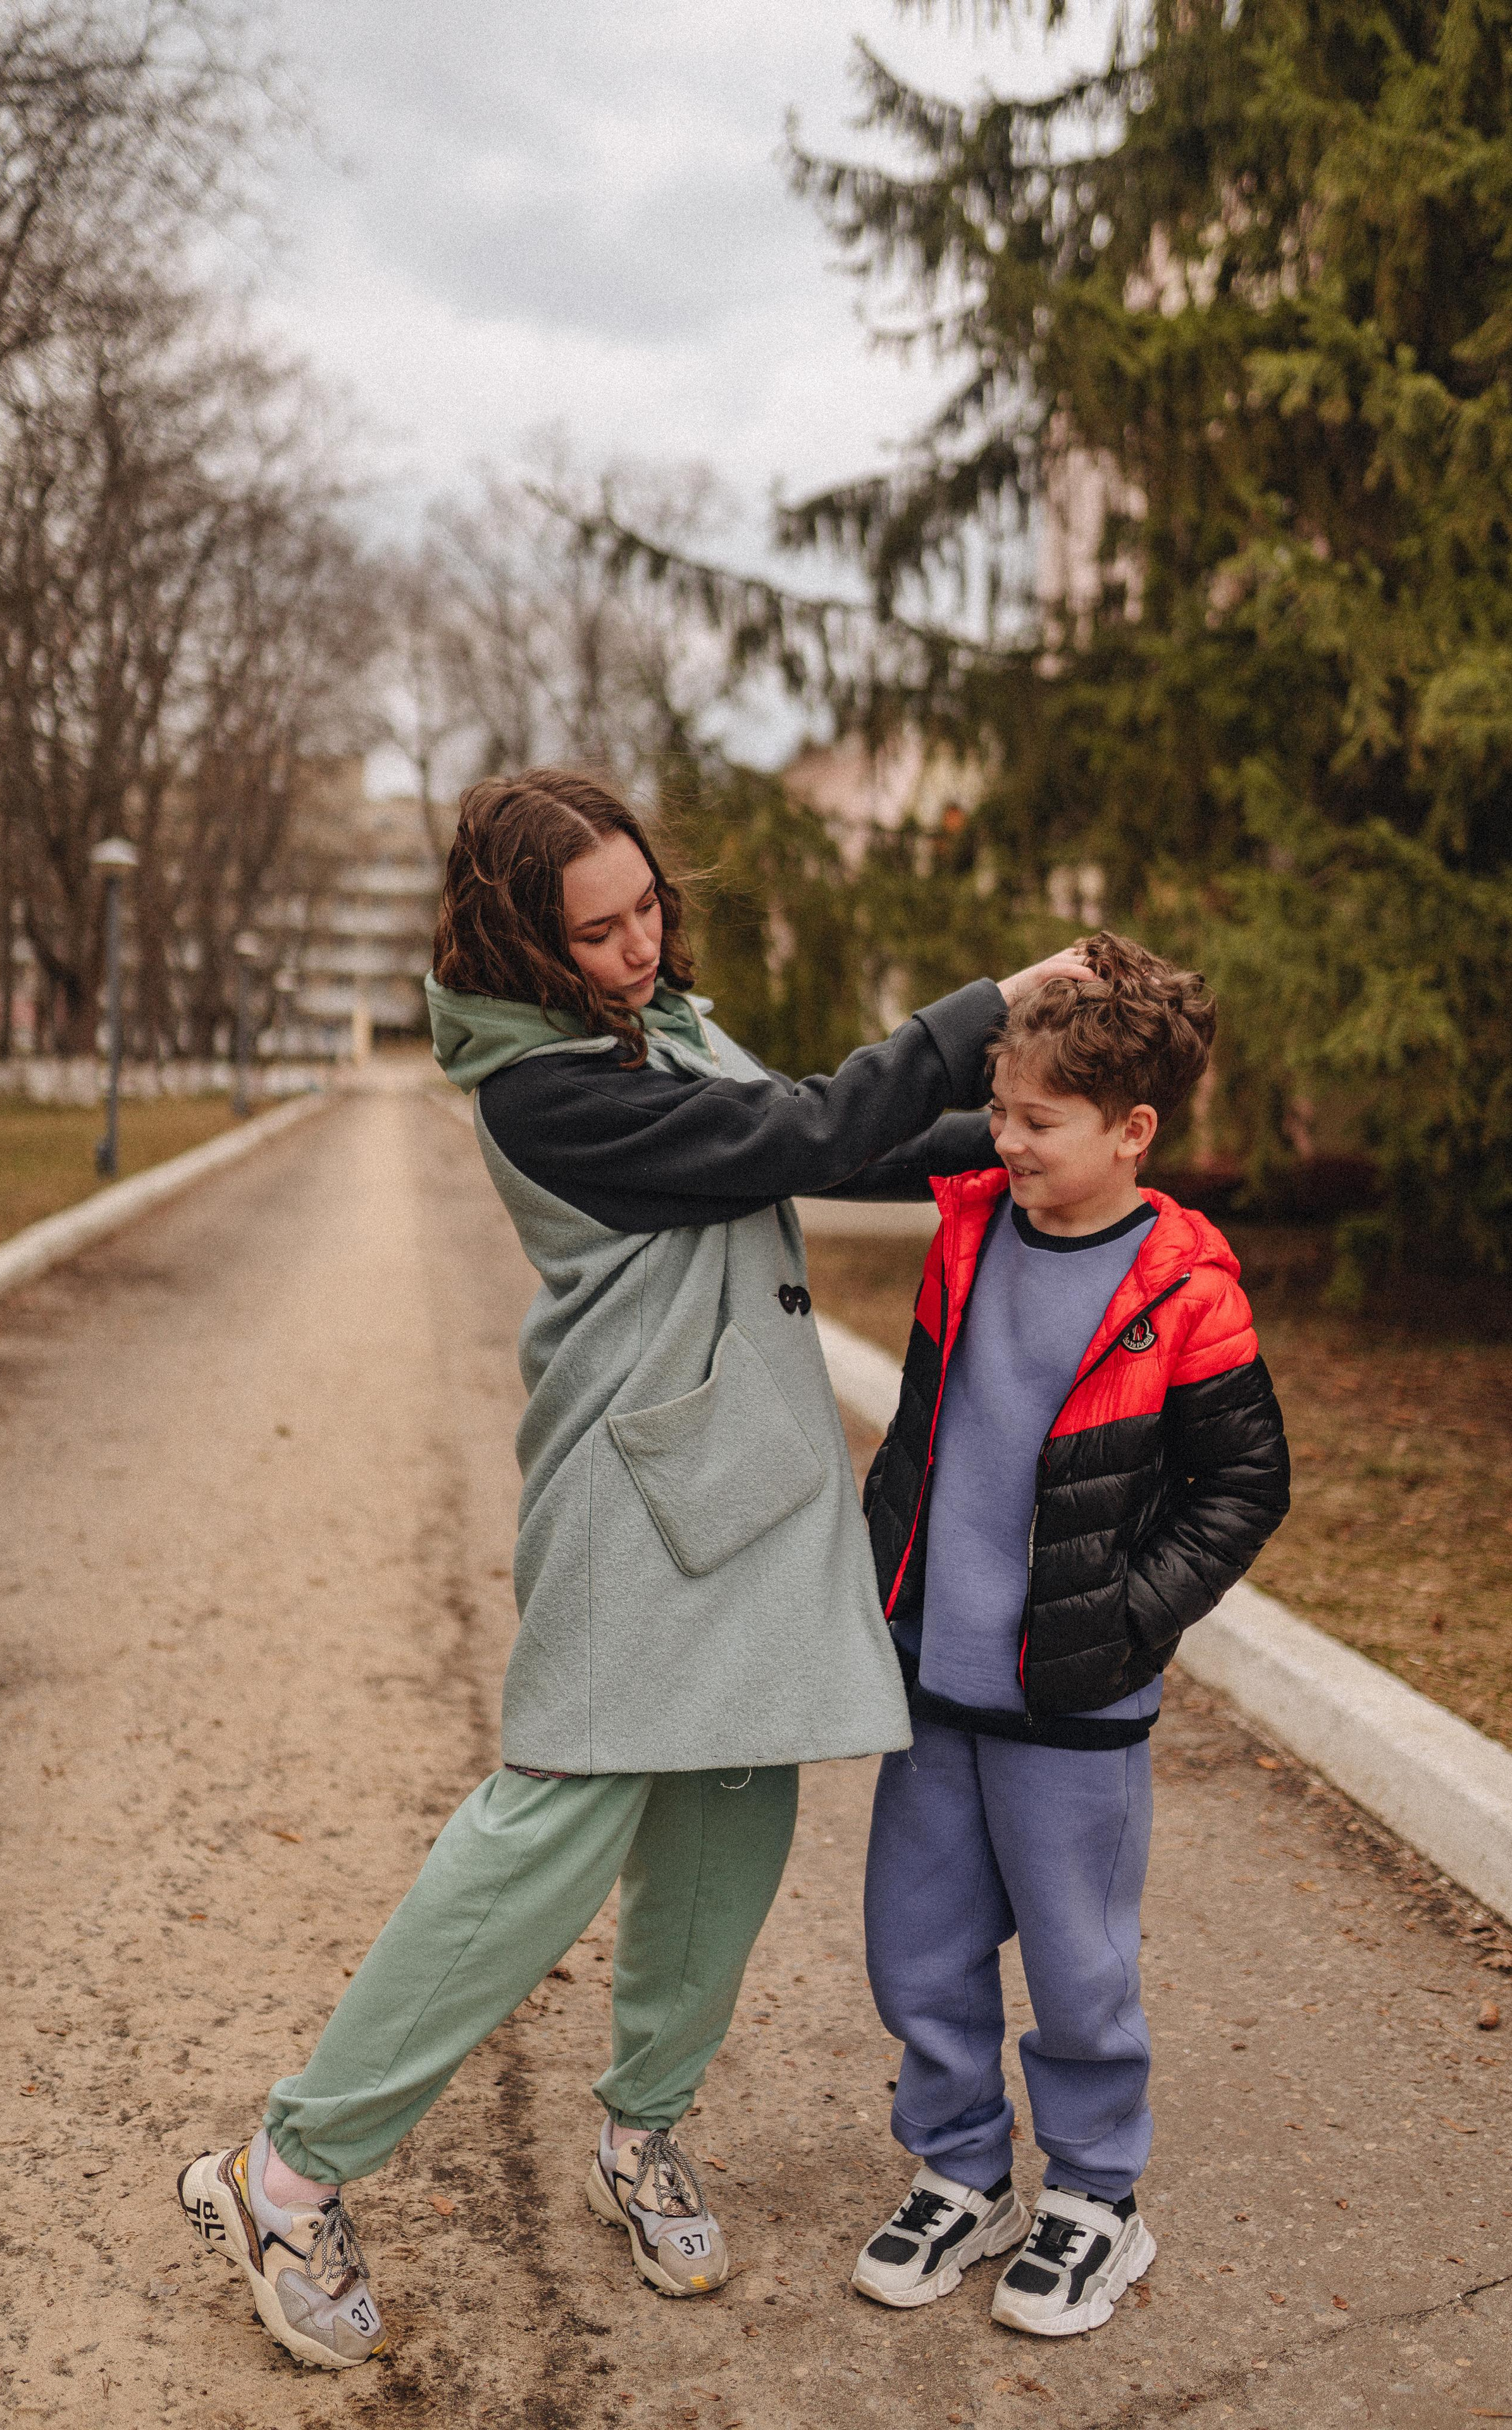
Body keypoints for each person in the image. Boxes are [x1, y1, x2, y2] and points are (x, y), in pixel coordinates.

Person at [177, 764, 1091, 2371]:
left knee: (736, 1817)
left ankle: (640, 2129)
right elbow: (796, 1126)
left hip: (742, 1497)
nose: (634, 949)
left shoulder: (659, 1029)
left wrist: (1026, 1145)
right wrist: (986, 1015)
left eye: (645, 910)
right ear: (526, 947)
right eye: (593, 935)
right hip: (629, 1506)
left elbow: (801, 1141)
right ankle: (286, 2167)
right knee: (544, 1833)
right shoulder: (541, 1087)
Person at [852, 933, 1290, 2339]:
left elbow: (1244, 1484)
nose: (1004, 1139)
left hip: (1074, 1702)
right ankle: (963, 2172)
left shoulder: (1183, 1287)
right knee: (916, 1948)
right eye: (999, 1112)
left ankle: (1095, 2194)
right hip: (929, 1675)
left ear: (1130, 1130)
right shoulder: (971, 1217)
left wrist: (1127, 1622)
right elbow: (825, 1124)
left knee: (1076, 1964)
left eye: (1037, 1121)